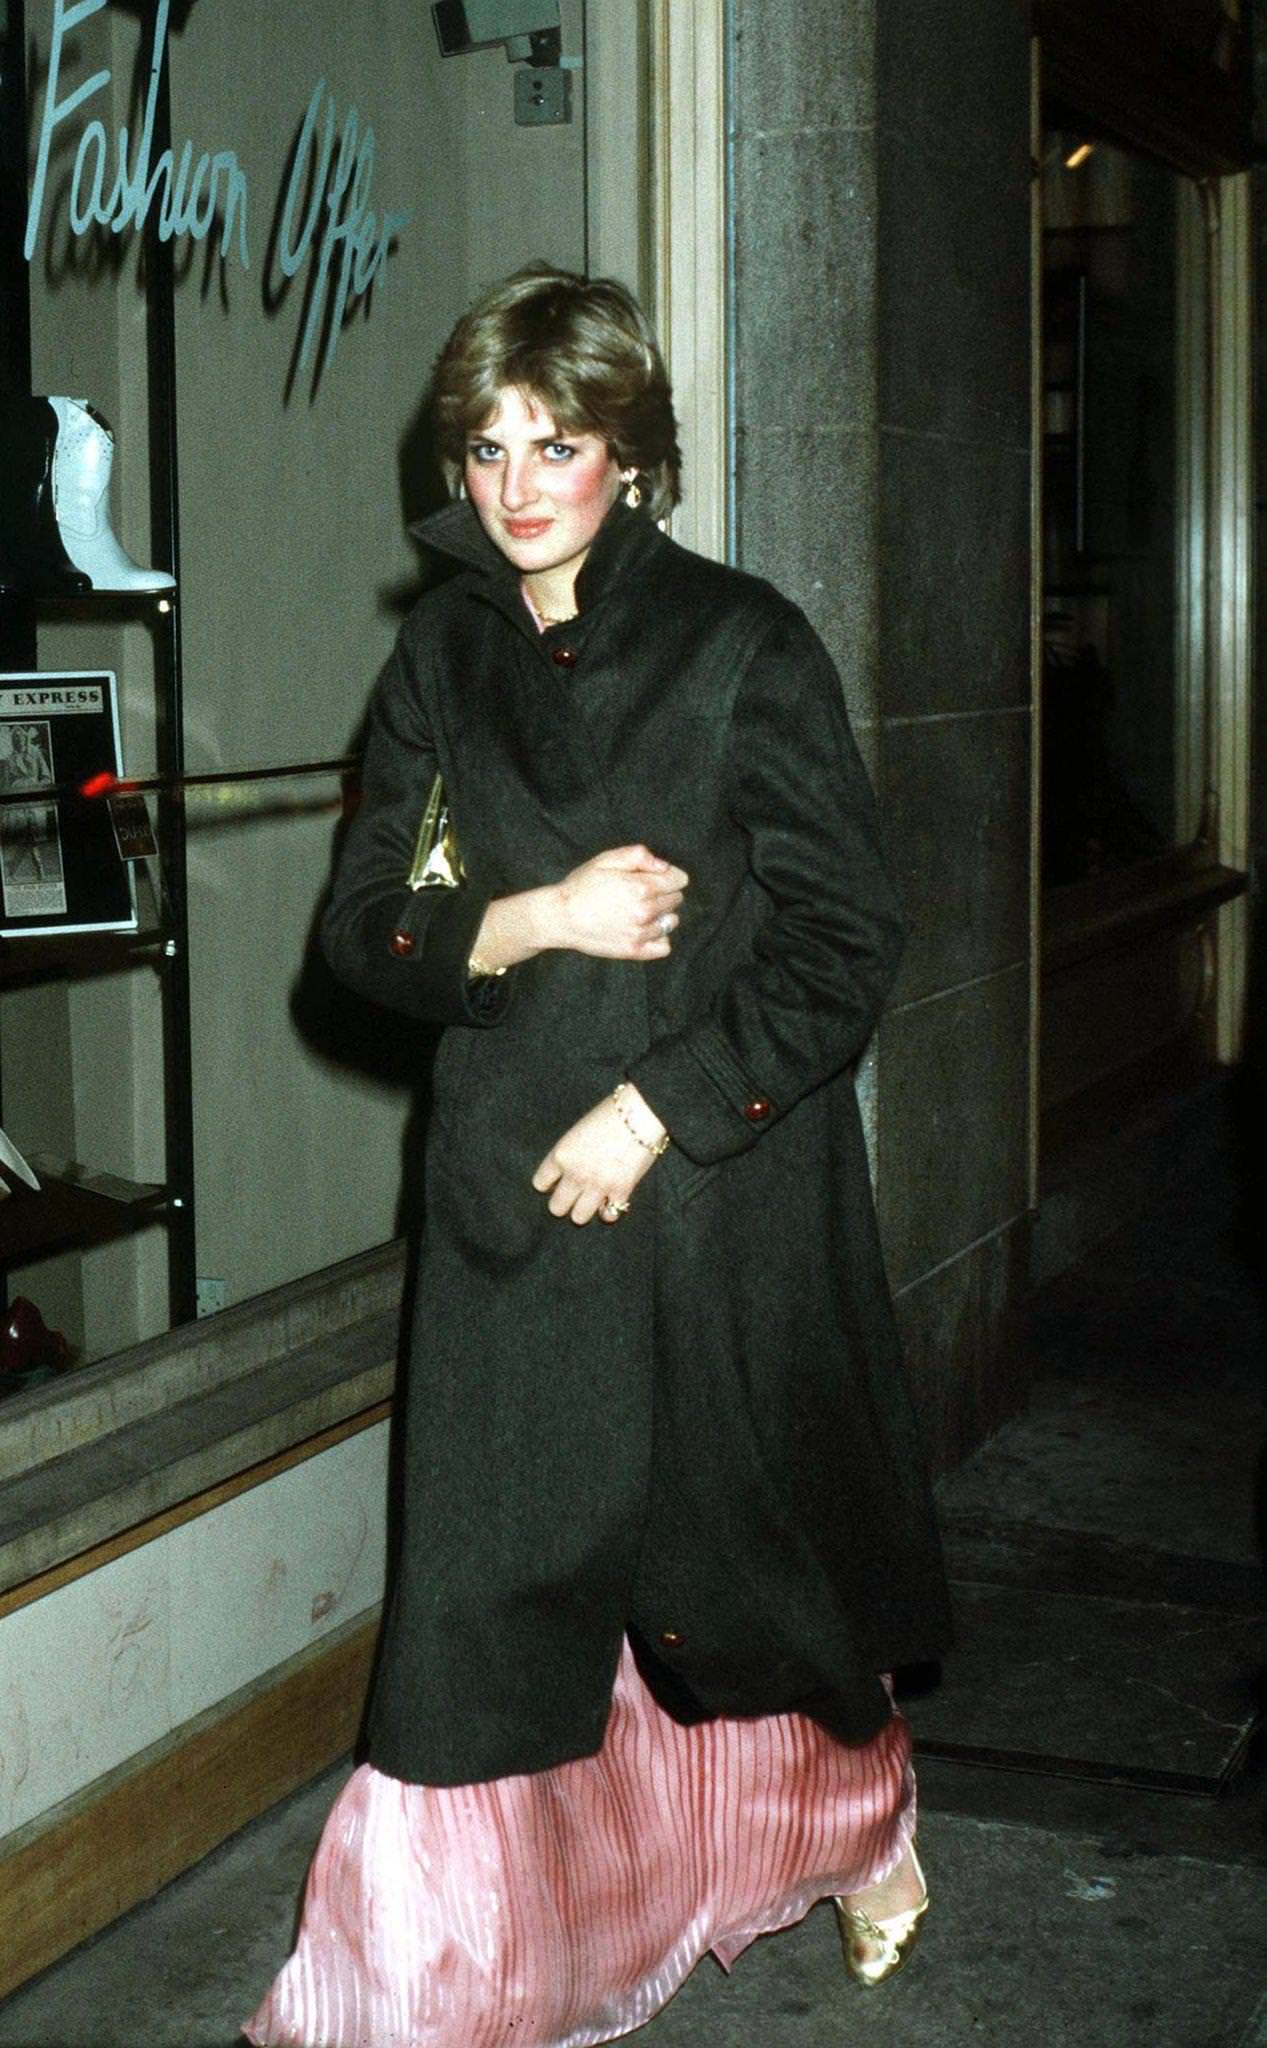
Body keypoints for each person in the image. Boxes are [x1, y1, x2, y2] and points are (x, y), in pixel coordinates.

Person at [245, 265, 952, 2048]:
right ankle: (411, 1999)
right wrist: (524, 915)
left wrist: (663, 1111)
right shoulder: (443, 655)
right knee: (477, 1632)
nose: (515, 483)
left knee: (748, 1599)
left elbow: (846, 942)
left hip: (714, 1208)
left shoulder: (742, 644)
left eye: (557, 443)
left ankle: (863, 1832)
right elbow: (365, 928)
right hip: (509, 1216)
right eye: (484, 447)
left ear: (630, 455)